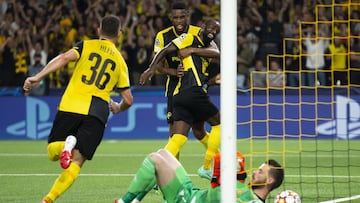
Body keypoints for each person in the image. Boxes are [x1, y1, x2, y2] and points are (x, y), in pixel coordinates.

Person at [23, 15, 133, 203]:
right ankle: (47, 199)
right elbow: (128, 100)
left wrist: (38, 77)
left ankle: (66, 144)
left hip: (72, 103)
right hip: (98, 111)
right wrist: (117, 107)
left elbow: (64, 58)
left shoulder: (86, 45)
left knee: (51, 151)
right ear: (120, 34)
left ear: (99, 30)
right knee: (77, 161)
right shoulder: (121, 62)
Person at [140, 19, 221, 181]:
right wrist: (151, 68)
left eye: (216, 30)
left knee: (179, 137)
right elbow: (164, 49)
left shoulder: (207, 46)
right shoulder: (189, 37)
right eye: (211, 27)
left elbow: (217, 53)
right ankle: (207, 167)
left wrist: (192, 51)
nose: (213, 31)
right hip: (193, 91)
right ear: (202, 27)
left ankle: (155, 171)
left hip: (181, 95)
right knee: (220, 124)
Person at [114, 149, 284, 203]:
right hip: (193, 192)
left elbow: (214, 196)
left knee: (155, 160)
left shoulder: (248, 199)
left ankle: (124, 202)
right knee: (163, 153)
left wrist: (218, 176)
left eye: (260, 172)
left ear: (269, 181)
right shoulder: (247, 191)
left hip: (186, 200)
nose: (255, 171)